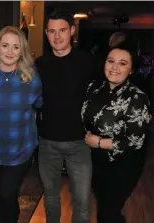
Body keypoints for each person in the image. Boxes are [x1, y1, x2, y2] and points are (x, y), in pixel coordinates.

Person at [0, 26, 42, 223]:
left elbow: (41, 104)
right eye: (5, 45)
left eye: (16, 47)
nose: (10, 52)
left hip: (20, 149)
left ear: (22, 51)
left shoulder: (31, 78)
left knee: (7, 193)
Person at [35, 12, 97, 223]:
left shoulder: (87, 61)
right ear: (46, 34)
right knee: (50, 198)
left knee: (81, 199)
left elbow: (100, 96)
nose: (57, 36)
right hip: (47, 142)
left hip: (79, 142)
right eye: (52, 31)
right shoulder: (40, 64)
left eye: (62, 30)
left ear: (72, 31)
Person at [82, 46, 151, 223]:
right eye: (111, 61)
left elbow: (136, 140)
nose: (114, 67)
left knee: (107, 212)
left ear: (131, 70)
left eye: (122, 63)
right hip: (96, 160)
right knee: (106, 206)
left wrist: (99, 143)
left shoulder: (137, 98)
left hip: (123, 164)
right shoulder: (94, 88)